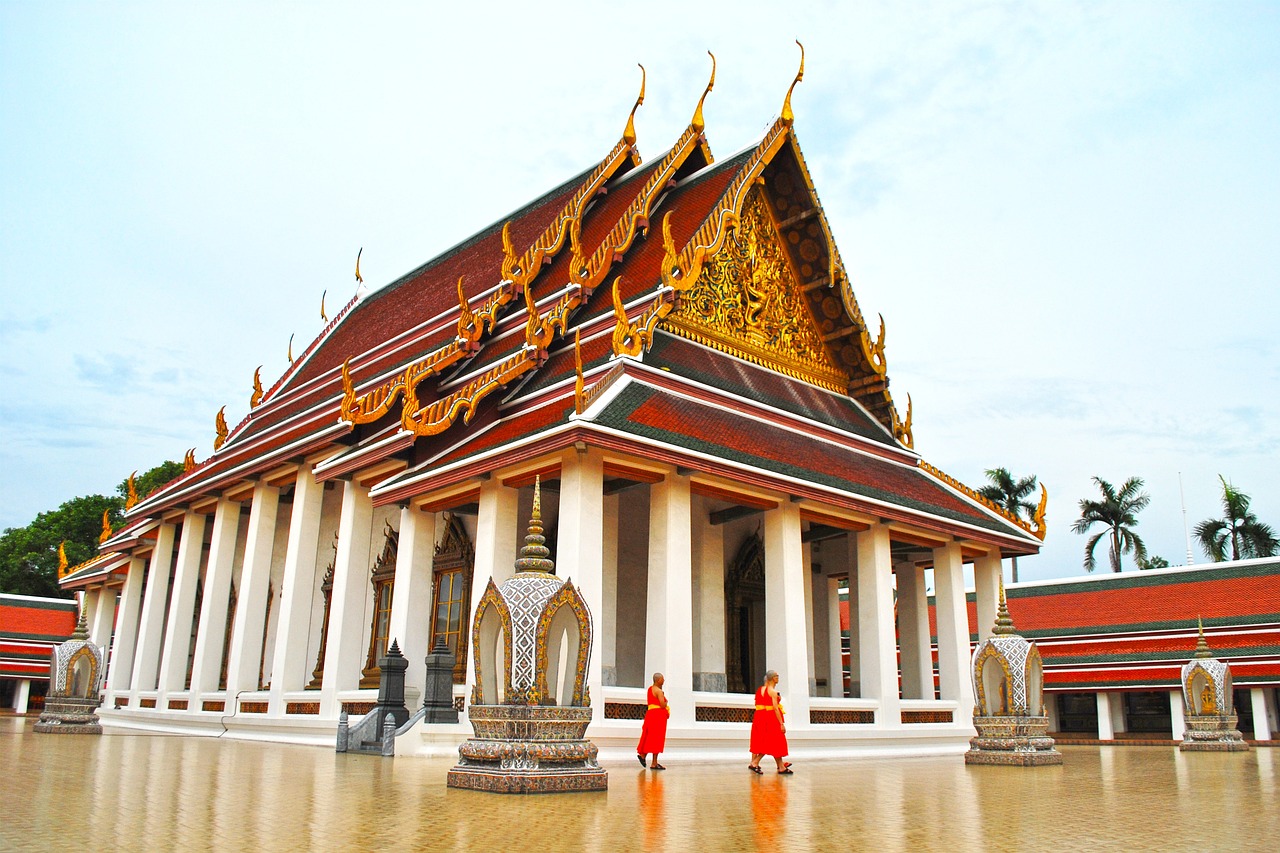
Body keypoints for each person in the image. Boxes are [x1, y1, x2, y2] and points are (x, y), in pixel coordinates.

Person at [748, 670, 792, 775]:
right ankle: (755, 763)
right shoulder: (773, 692)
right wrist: (781, 723)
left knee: (762, 740)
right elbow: (775, 709)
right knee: (773, 741)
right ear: (773, 678)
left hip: (760, 717)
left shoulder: (760, 690)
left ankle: (780, 766)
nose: (778, 678)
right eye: (777, 676)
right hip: (771, 718)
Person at [637, 672, 670, 770]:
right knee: (657, 738)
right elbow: (662, 705)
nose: (663, 681)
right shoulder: (659, 691)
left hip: (650, 714)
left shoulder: (650, 689)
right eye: (663, 679)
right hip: (658, 716)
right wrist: (665, 701)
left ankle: (644, 755)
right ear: (658, 680)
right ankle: (653, 762)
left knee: (649, 736)